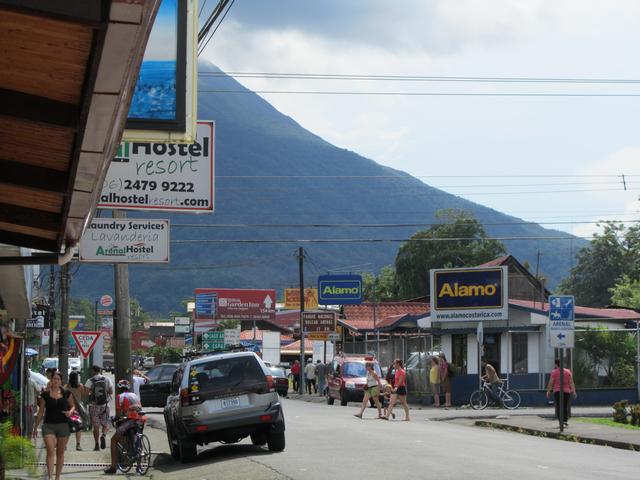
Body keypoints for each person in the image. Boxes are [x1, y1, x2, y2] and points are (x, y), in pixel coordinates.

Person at [32, 371, 76, 480]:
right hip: (48, 426)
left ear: (61, 381)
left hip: (63, 425)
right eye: (54, 379)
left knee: (60, 453)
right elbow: (41, 412)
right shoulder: (45, 395)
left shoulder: (67, 393)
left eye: (58, 379)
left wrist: (70, 412)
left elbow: (73, 406)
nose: (56, 381)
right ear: (51, 381)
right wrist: (35, 427)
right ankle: (50, 477)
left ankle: (57, 477)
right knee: (50, 450)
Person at [104, 379, 144, 475]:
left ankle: (113, 466)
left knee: (113, 440)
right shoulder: (134, 395)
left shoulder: (120, 396)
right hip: (140, 420)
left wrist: (114, 418)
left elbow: (118, 414)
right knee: (138, 439)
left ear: (119, 388)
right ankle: (139, 467)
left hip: (130, 421)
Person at [85, 365, 113, 451]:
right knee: (106, 423)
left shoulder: (90, 380)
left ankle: (97, 444)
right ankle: (103, 435)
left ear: (93, 371)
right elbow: (111, 392)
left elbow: (87, 393)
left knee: (96, 426)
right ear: (100, 370)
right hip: (104, 405)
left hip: (93, 406)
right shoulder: (107, 379)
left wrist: (92, 394)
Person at [546, 359, 577, 426]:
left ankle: (561, 421)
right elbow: (571, 382)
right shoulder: (568, 371)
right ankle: (565, 420)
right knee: (565, 406)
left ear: (556, 364)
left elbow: (551, 383)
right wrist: (574, 391)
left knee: (558, 406)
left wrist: (548, 391)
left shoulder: (554, 372)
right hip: (566, 391)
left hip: (557, 392)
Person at [64, 371, 86, 451]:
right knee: (79, 428)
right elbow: (83, 396)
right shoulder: (80, 386)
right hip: (78, 409)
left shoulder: (66, 386)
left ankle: (65, 445)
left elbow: (64, 396)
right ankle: (78, 445)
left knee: (67, 427)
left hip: (69, 409)